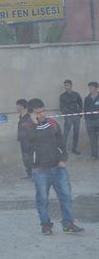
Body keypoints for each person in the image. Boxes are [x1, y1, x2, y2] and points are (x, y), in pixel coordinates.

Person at [24, 98, 84, 235]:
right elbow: (26, 146)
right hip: (40, 170)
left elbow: (61, 142)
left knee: (66, 196)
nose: (44, 114)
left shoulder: (52, 123)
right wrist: (34, 124)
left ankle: (68, 223)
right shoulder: (25, 126)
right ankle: (46, 225)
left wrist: (63, 158)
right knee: (42, 199)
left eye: (44, 110)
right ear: (32, 113)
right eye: (40, 112)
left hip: (58, 167)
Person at [59, 80, 83, 155]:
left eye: (68, 85)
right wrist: (65, 115)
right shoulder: (62, 96)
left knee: (76, 132)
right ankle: (63, 150)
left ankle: (74, 149)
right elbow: (61, 107)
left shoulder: (76, 94)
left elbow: (80, 103)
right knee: (66, 133)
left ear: (71, 85)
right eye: (65, 85)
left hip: (76, 116)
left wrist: (79, 113)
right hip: (68, 116)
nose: (67, 87)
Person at [16, 99, 33, 179]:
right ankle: (29, 173)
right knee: (25, 158)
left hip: (28, 141)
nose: (16, 107)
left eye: (18, 105)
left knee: (29, 157)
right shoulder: (21, 116)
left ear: (22, 106)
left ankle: (33, 174)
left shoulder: (28, 117)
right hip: (22, 140)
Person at [84, 82, 99, 159]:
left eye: (92, 87)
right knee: (92, 139)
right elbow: (85, 109)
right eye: (89, 88)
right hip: (90, 121)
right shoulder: (87, 98)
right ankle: (94, 155)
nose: (90, 89)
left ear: (96, 88)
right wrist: (86, 119)